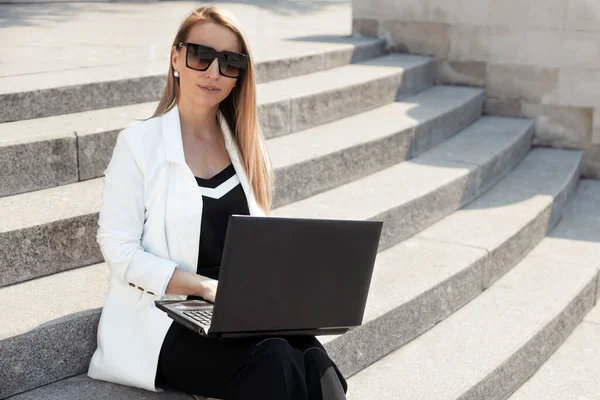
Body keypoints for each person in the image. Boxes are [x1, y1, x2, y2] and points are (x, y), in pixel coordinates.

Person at [87, 5, 348, 400]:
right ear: (176, 57)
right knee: (273, 361)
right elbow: (119, 252)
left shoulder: (245, 145)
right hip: (166, 316)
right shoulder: (139, 145)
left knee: (314, 360)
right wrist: (207, 288)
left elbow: (259, 243)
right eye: (200, 56)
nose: (213, 73)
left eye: (230, 62)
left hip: (240, 308)